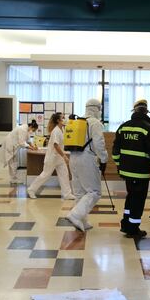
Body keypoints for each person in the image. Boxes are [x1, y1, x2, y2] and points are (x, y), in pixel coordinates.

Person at [112, 99, 150, 238]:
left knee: (131, 197)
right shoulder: (148, 129)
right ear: (146, 112)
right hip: (140, 172)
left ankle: (126, 224)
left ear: (134, 112)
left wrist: (118, 165)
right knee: (138, 200)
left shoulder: (123, 127)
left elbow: (115, 151)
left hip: (125, 171)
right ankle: (133, 229)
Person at [66, 98, 108, 232]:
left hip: (73, 157)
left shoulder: (77, 121)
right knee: (94, 192)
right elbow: (99, 143)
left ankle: (82, 221)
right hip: (87, 159)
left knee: (79, 192)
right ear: (97, 109)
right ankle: (75, 215)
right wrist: (104, 158)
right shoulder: (95, 123)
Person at [27, 112, 75, 200]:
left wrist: (62, 156)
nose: (65, 119)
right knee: (45, 175)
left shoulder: (62, 129)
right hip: (52, 158)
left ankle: (67, 194)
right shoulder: (56, 131)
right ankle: (31, 189)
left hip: (59, 158)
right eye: (63, 118)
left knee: (64, 174)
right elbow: (56, 145)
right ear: (58, 120)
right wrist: (64, 156)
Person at [0, 120, 38, 184]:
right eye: (33, 130)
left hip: (13, 146)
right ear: (31, 126)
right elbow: (22, 142)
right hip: (11, 145)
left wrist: (33, 146)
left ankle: (13, 178)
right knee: (13, 163)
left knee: (13, 162)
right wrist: (32, 148)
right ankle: (13, 179)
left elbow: (28, 140)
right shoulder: (22, 129)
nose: (32, 132)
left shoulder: (26, 129)